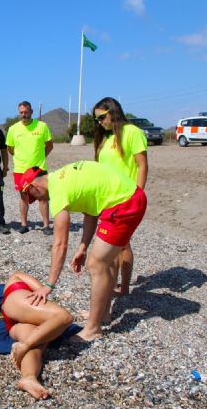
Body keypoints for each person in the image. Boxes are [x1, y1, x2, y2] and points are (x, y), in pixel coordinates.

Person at [19, 161, 147, 341]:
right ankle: (103, 314)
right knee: (105, 260)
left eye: (34, 197)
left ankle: (93, 329)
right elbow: (91, 212)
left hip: (125, 203)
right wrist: (83, 247)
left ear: (34, 186)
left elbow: (60, 244)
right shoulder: (62, 177)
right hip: (127, 197)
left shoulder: (58, 192)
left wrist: (49, 285)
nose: (39, 201)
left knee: (96, 264)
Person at [93, 97, 148, 296]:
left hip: (127, 198)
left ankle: (123, 288)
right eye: (96, 120)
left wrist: (138, 194)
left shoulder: (132, 132)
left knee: (122, 244)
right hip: (108, 199)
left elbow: (142, 164)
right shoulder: (107, 138)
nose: (99, 122)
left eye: (102, 117)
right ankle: (115, 286)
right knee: (114, 244)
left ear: (113, 111)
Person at [0, 271, 73, 400]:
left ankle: (28, 377)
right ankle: (23, 346)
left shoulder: (10, 295)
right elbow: (42, 290)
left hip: (13, 323)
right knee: (64, 317)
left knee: (38, 340)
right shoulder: (16, 276)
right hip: (16, 299)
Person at [6, 101, 54, 235]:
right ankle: (24, 225)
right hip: (20, 170)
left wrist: (41, 158)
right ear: (18, 113)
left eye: (26, 112)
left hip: (39, 169)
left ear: (31, 112)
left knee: (43, 197)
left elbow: (49, 145)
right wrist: (19, 158)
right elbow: (10, 148)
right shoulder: (13, 129)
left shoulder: (42, 126)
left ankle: (46, 226)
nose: (24, 115)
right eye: (21, 112)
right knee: (23, 197)